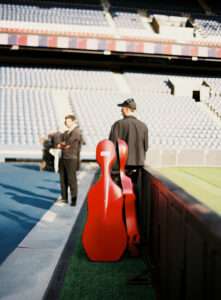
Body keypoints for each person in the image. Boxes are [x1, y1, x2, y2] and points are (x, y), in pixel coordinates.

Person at [109, 98, 149, 227]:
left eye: (122, 108)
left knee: (119, 198)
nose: (121, 110)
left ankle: (119, 226)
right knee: (134, 199)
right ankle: (134, 226)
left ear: (126, 109)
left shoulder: (118, 124)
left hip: (120, 169)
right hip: (138, 169)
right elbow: (146, 147)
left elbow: (112, 146)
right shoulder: (143, 126)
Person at [57, 114, 82, 206]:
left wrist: (62, 145)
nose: (65, 123)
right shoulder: (67, 132)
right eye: (65, 121)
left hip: (71, 158)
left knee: (71, 180)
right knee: (63, 179)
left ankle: (74, 200)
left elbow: (68, 143)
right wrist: (62, 145)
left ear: (73, 121)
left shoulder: (76, 131)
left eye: (67, 121)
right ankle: (64, 198)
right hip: (64, 157)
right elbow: (60, 142)